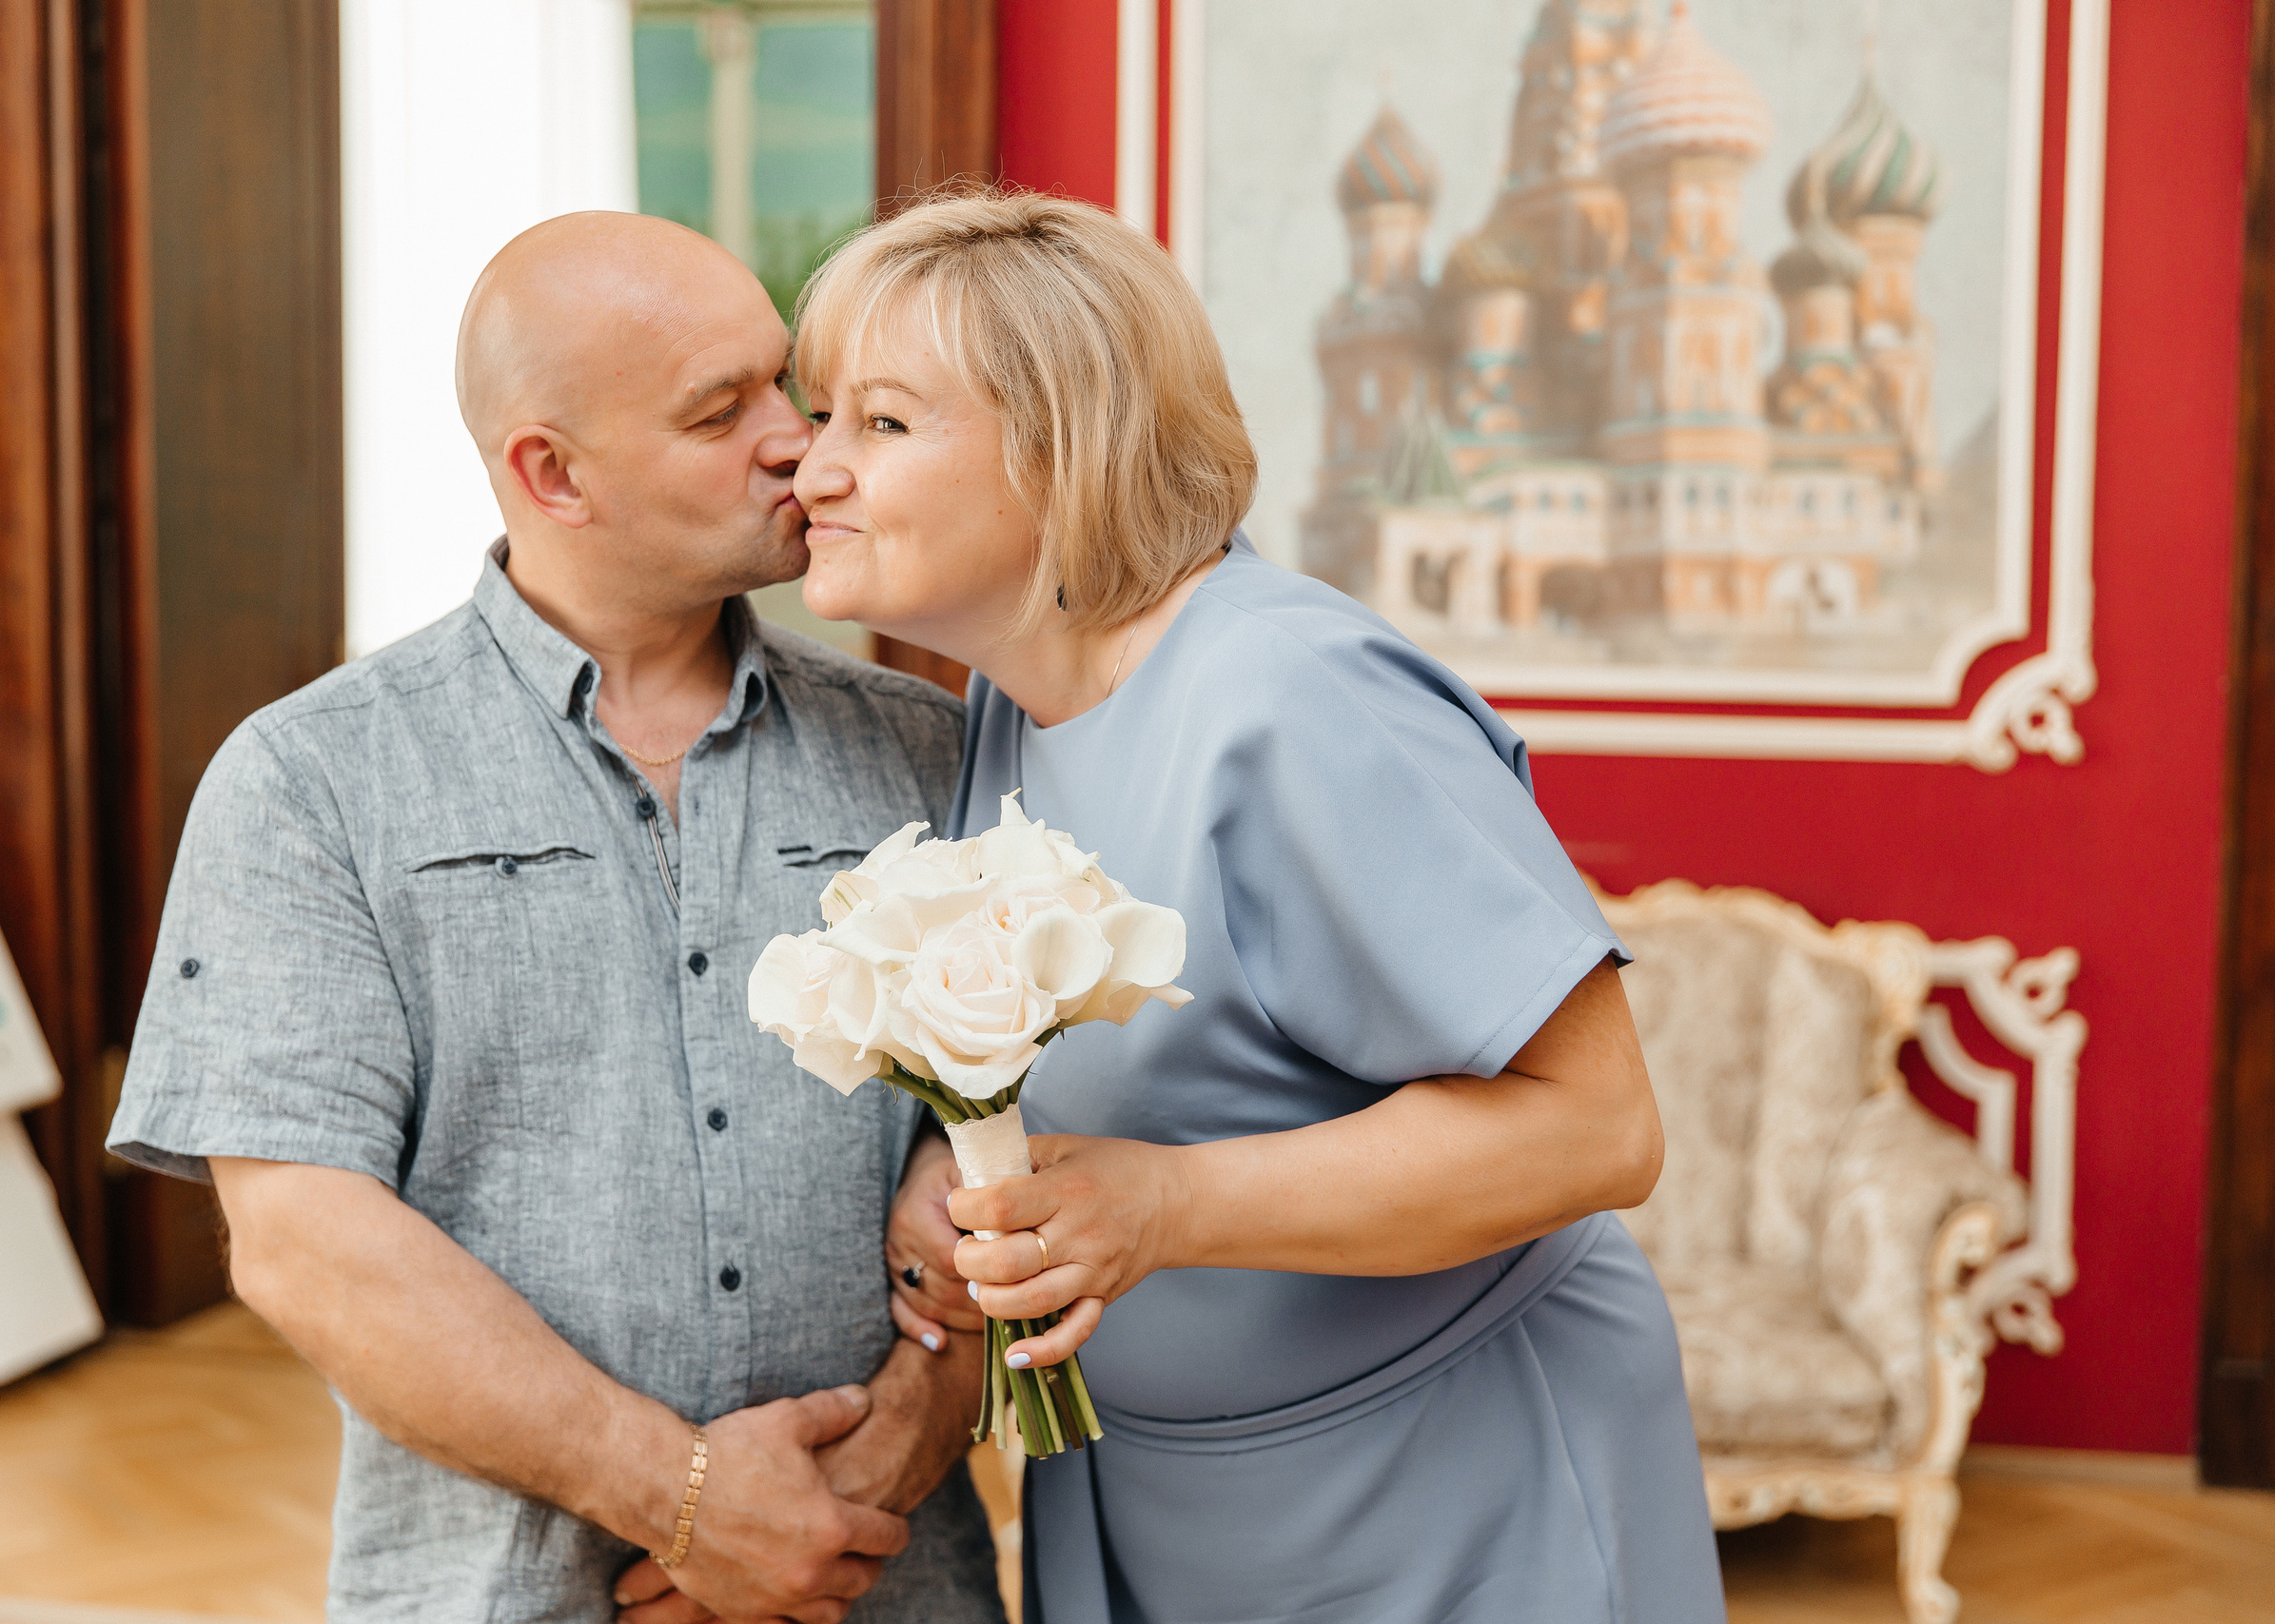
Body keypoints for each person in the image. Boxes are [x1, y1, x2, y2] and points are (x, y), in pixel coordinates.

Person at [790, 187, 1727, 1623]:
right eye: (821, 417)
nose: (814, 470)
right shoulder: (1009, 707)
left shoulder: (1294, 698)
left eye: (883, 422)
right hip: (1155, 1497)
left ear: (1065, 446)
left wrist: (1166, 1205)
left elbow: (1599, 1127)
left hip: (1444, 1490)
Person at [105, 212, 1002, 1624]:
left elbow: (1018, 1139)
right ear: (552, 473)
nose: (798, 440)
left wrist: (884, 1459)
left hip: (890, 1582)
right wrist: (688, 1503)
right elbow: (302, 1237)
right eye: (721, 411)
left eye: (784, 383)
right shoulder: (310, 778)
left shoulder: (929, 746)